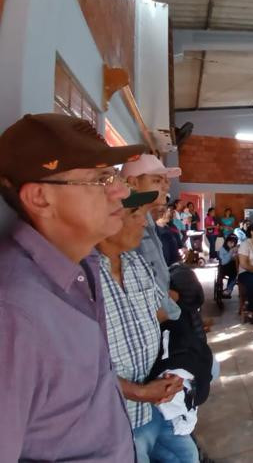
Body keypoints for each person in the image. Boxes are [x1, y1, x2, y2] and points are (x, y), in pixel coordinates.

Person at [0, 113, 143, 461]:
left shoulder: (83, 267)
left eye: (114, 176)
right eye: (100, 179)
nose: (122, 192)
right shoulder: (13, 314)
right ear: (39, 199)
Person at [97, 190, 200, 462]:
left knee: (187, 456)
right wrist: (139, 392)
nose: (144, 223)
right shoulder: (83, 277)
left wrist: (173, 367)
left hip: (158, 401)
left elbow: (160, 318)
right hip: (118, 416)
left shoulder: (136, 262)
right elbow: (77, 370)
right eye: (137, 215)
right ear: (107, 220)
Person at [121, 154, 183, 322]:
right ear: (133, 183)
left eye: (165, 181)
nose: (166, 187)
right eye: (157, 181)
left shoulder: (148, 221)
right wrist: (161, 313)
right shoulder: (122, 225)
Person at [215, 234, 239, 299]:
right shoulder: (222, 249)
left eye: (234, 242)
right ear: (226, 241)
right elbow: (223, 262)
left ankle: (228, 290)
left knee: (236, 274)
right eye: (230, 242)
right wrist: (230, 253)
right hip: (224, 268)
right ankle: (227, 290)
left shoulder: (236, 249)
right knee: (234, 272)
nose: (232, 244)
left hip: (234, 269)